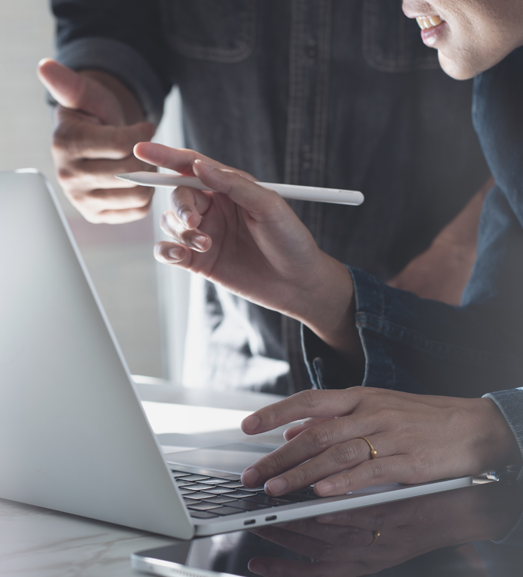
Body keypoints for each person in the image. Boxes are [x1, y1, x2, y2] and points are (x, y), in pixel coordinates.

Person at [140, 0, 523, 496]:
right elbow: (515, 353)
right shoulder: (512, 87)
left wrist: (501, 429)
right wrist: (320, 294)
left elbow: (505, 417)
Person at [38, 0, 491, 395]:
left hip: (442, 345)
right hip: (238, 362)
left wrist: (467, 247)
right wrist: (107, 119)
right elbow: (113, 21)